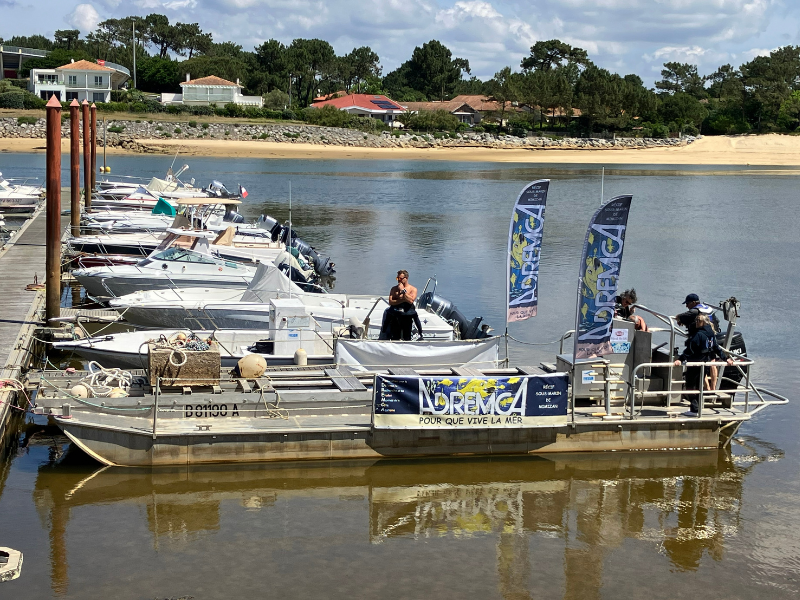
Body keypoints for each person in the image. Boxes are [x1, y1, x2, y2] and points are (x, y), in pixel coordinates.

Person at [673, 314, 734, 416]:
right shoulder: (710, 334)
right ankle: (696, 408)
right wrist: (726, 358)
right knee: (699, 386)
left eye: (698, 320)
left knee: (691, 386)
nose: (696, 322)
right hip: (705, 363)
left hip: (695, 363)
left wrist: (680, 359)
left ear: (703, 322)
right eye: (696, 320)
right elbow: (716, 348)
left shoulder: (699, 335)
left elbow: (690, 349)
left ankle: (694, 409)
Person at [382, 270, 420, 341]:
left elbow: (411, 301)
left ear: (406, 278)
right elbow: (391, 302)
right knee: (395, 337)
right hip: (395, 316)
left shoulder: (413, 289)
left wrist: (403, 290)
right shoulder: (394, 289)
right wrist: (403, 300)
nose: (398, 280)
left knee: (407, 337)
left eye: (400, 278)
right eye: (397, 278)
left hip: (407, 316)